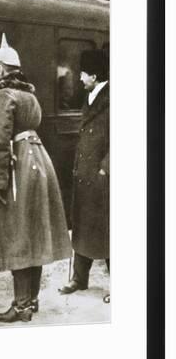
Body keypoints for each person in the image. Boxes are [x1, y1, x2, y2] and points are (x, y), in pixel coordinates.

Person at [0, 34, 72, 323]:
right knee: (34, 231)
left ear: (1, 68)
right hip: (39, 160)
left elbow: (0, 141)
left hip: (18, 165)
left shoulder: (3, 94)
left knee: (17, 232)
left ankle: (21, 304)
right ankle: (32, 301)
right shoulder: (30, 94)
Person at [59, 48, 110, 303]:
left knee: (110, 230)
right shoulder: (90, 98)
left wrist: (105, 169)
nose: (80, 78)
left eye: (83, 73)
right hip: (85, 174)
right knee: (82, 225)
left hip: (103, 178)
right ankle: (80, 278)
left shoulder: (112, 99)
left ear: (94, 75)